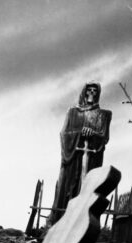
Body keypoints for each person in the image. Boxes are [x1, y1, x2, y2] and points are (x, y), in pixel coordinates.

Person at [49, 82, 111, 224]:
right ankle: (59, 221)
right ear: (84, 92)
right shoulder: (73, 112)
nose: (92, 93)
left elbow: (104, 137)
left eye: (95, 91)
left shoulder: (103, 115)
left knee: (87, 186)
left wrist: (93, 133)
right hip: (73, 157)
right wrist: (79, 133)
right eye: (89, 90)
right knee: (67, 187)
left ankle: (82, 223)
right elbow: (64, 133)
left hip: (92, 157)